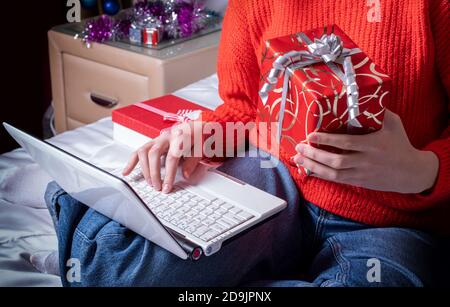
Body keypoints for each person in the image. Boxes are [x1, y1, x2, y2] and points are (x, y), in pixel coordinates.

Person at [36, 0, 449, 286]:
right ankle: (76, 202)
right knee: (116, 269)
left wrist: (421, 169)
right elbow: (242, 106)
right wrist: (203, 135)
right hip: (277, 183)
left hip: (395, 219)